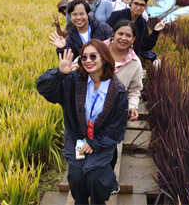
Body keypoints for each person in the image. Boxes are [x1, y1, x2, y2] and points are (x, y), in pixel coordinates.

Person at [37, 41, 128, 205]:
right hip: (76, 139)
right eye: (84, 57)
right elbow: (44, 89)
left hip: (100, 141)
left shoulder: (117, 90)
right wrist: (59, 73)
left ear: (104, 59)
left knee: (95, 179)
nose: (88, 60)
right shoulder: (73, 81)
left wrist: (93, 142)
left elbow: (117, 127)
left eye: (93, 56)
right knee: (77, 178)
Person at [106, 0, 166, 64]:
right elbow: (105, 34)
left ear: (145, 7)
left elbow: (145, 46)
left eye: (142, 5)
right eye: (136, 4)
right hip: (111, 56)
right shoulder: (118, 15)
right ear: (131, 3)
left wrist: (155, 31)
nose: (138, 7)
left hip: (129, 60)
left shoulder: (142, 23)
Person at [105, 20, 143, 122]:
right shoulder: (98, 49)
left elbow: (134, 90)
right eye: (120, 34)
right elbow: (78, 64)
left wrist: (132, 107)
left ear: (133, 39)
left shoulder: (135, 63)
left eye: (128, 35)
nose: (123, 38)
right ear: (113, 34)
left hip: (115, 114)